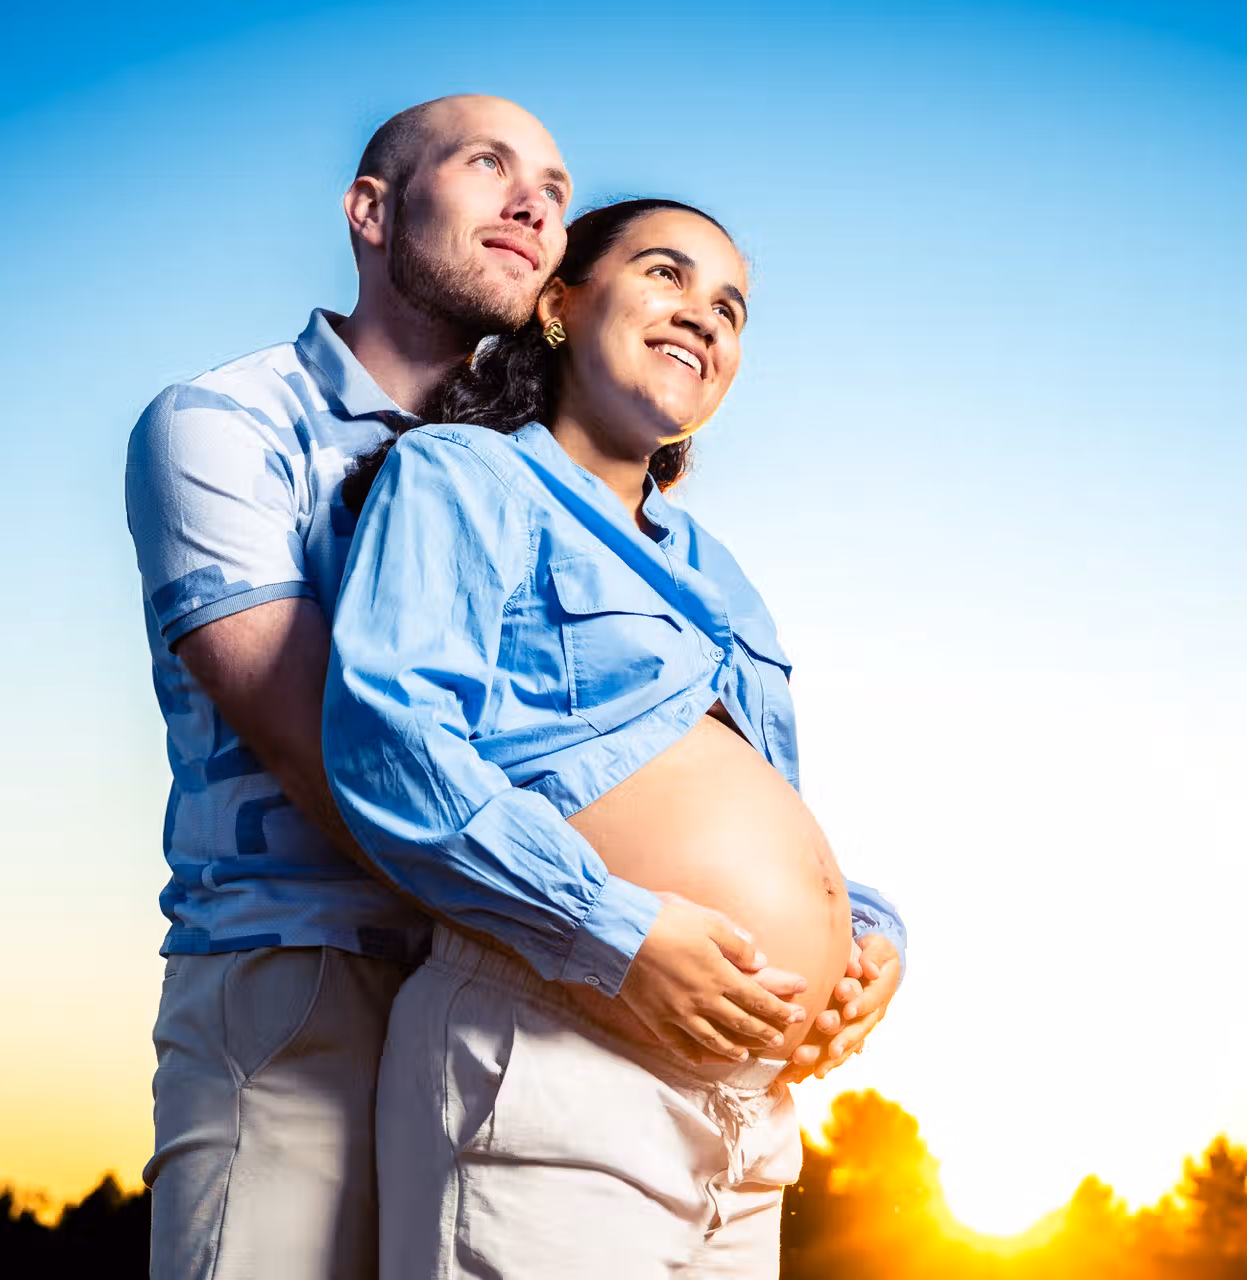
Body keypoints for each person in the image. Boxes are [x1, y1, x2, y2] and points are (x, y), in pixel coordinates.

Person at [124, 97, 902, 1279]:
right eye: (490, 165)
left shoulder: (637, 526)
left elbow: (689, 766)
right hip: (319, 974)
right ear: (371, 209)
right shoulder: (241, 429)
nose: (535, 199)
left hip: (592, 1004)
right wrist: (611, 929)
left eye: (553, 178)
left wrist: (844, 932)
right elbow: (342, 750)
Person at [323, 198, 903, 1278]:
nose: (705, 315)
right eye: (666, 275)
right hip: (555, 1062)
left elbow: (734, 796)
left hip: (750, 1127)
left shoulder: (716, 570)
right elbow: (390, 744)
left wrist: (863, 938)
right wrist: (614, 928)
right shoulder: (465, 476)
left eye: (729, 305)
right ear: (558, 303)